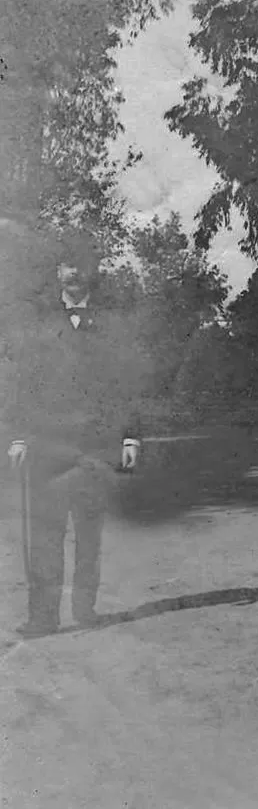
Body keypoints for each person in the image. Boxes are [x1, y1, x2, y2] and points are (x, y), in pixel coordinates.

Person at [2, 217, 150, 638]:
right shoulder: (36, 326)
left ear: (92, 272)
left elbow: (127, 384)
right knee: (45, 534)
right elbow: (22, 384)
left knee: (89, 533)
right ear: (58, 273)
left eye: (81, 265)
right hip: (48, 446)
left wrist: (130, 436)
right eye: (67, 265)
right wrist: (17, 437)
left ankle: (86, 609)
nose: (74, 273)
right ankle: (43, 617)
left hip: (93, 447)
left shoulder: (111, 329)